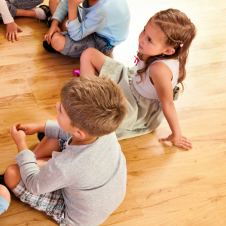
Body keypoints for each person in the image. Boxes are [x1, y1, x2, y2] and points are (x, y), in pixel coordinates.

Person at [0, 76, 128, 226]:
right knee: (52, 138)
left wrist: (21, 143)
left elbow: (34, 185)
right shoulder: (104, 131)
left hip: (76, 215)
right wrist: (41, 127)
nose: (57, 105)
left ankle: (28, 169)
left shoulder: (66, 167)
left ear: (79, 133)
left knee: (12, 173)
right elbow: (71, 133)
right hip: (100, 193)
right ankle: (32, 167)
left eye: (61, 111)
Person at [79, 8, 196, 149]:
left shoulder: (159, 70)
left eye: (150, 40)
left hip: (137, 105)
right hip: (130, 81)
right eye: (144, 30)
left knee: (97, 125)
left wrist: (176, 135)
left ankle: (90, 102)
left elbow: (168, 104)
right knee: (89, 54)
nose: (141, 38)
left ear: (168, 51)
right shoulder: (155, 51)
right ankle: (87, 96)